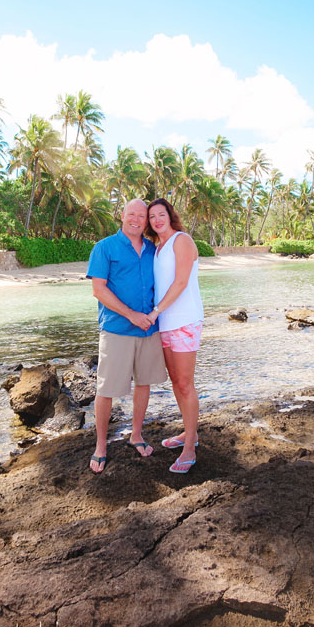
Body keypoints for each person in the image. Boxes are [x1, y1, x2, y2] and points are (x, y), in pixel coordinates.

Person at [86, 198, 168, 473]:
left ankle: (136, 435)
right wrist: (131, 314)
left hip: (149, 329)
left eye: (141, 216)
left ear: (146, 222)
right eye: (131, 214)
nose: (136, 219)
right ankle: (101, 445)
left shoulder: (152, 250)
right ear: (122, 216)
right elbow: (99, 290)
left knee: (144, 383)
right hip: (116, 330)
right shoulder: (104, 247)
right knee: (106, 389)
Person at [146, 198, 204, 474]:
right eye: (152, 217)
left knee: (185, 384)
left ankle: (190, 446)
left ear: (170, 215)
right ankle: (189, 432)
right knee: (176, 383)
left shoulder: (182, 240)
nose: (157, 219)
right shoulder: (157, 248)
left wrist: (156, 311)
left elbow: (181, 282)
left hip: (184, 320)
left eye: (161, 214)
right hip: (165, 323)